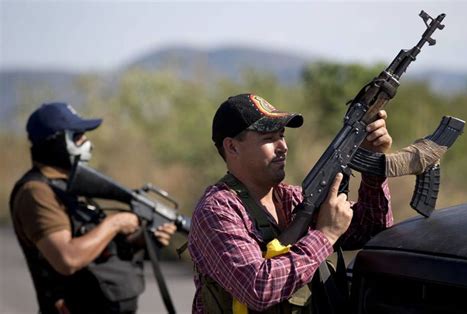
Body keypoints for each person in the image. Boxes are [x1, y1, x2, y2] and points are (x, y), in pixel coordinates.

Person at [188, 93, 393, 313]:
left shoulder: (292, 198)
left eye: (282, 135)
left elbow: (373, 229)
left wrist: (373, 161)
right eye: (268, 138)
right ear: (232, 147)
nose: (283, 146)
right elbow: (258, 288)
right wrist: (325, 236)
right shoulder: (217, 210)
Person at [10, 102, 177, 314]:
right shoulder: (36, 192)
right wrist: (115, 223)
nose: (87, 144)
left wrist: (144, 239)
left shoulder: (67, 187)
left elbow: (96, 249)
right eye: (78, 136)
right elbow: (67, 259)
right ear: (56, 142)